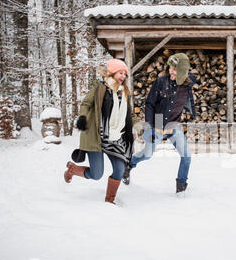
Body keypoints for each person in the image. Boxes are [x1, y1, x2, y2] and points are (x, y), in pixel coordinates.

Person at [122, 53, 196, 194]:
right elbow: (149, 104)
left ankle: (180, 185)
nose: (170, 71)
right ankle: (129, 164)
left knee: (186, 156)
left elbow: (189, 90)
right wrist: (151, 126)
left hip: (173, 125)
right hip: (157, 122)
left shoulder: (188, 84)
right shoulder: (161, 82)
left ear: (182, 70)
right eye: (170, 68)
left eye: (174, 69)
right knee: (148, 154)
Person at [64, 59, 134, 205]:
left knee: (119, 169)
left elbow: (129, 115)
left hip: (115, 139)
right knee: (96, 174)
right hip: (97, 136)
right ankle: (73, 169)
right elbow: (86, 103)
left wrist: (141, 126)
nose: (123, 76)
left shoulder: (124, 93)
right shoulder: (100, 88)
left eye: (125, 74)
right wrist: (82, 117)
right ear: (112, 72)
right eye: (120, 73)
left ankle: (110, 200)